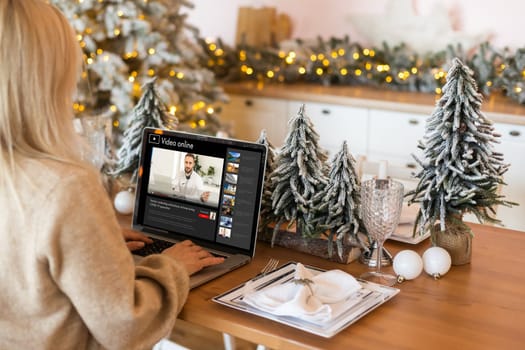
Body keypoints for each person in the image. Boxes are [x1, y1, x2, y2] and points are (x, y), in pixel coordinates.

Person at [0, 1, 223, 349]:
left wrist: (93, 245)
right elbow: (127, 326)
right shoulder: (65, 187)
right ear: (48, 78)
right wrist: (171, 266)